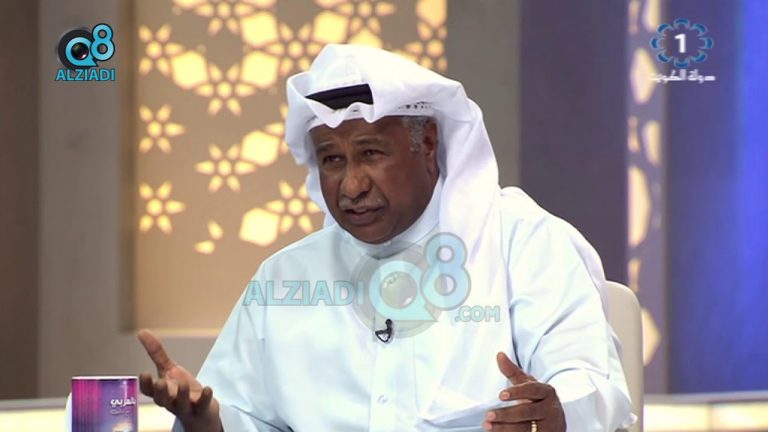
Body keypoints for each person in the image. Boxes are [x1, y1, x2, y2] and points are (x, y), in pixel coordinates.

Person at [138, 44, 636, 432]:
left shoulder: (523, 243)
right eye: (332, 160)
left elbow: (590, 383)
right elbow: (247, 414)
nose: (351, 185)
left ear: (428, 146)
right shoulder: (286, 276)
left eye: (371, 153)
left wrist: (556, 412)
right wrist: (209, 421)